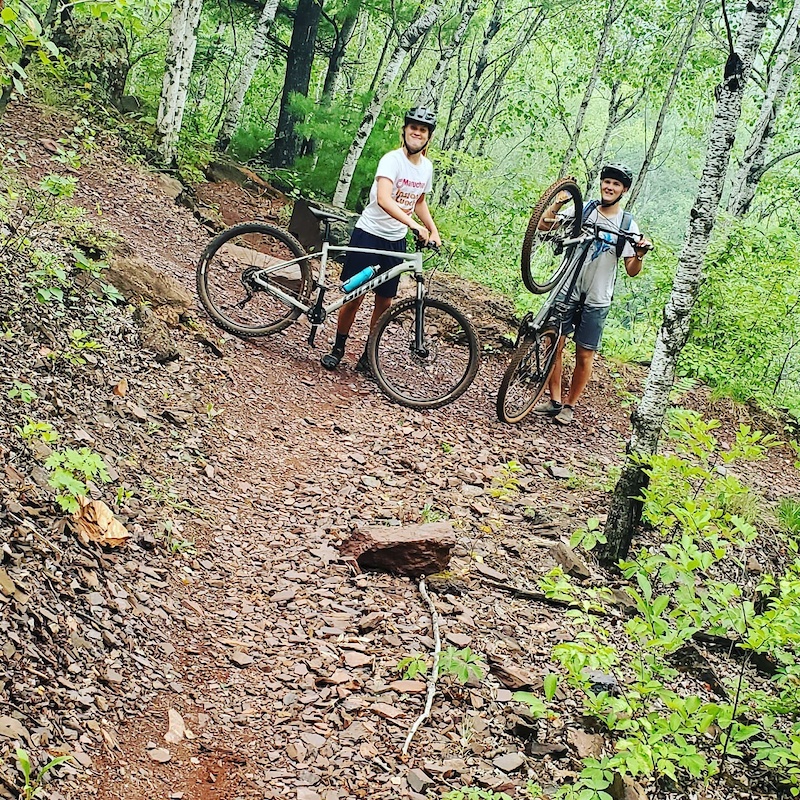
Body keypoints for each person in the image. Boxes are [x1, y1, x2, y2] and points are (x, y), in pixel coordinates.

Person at [321, 107, 442, 373]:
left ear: (428, 137)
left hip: (395, 241)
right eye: (413, 127)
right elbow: (385, 199)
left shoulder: (426, 167)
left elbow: (419, 201)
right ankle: (338, 347)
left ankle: (368, 356)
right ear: (405, 131)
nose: (417, 132)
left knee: (385, 302)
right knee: (355, 297)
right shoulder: (392, 160)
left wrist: (432, 229)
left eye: (422, 130)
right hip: (369, 234)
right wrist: (413, 225)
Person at [535, 163, 652, 426]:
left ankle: (569, 405)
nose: (609, 187)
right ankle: (554, 400)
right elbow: (544, 227)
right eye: (606, 182)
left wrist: (641, 255)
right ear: (601, 184)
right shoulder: (584, 209)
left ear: (624, 190)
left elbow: (632, 269)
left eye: (616, 184)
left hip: (598, 297)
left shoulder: (627, 224)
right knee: (553, 342)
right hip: (568, 287)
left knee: (584, 354)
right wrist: (557, 204)